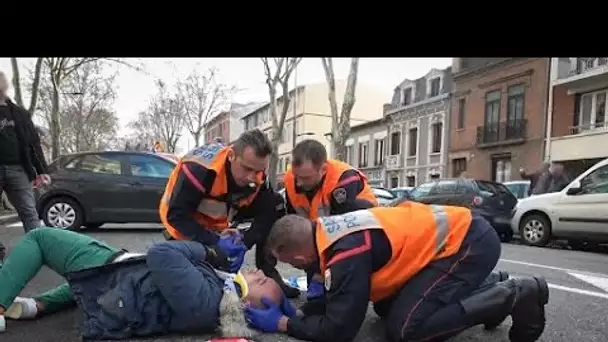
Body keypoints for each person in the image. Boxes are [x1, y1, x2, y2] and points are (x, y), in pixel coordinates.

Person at [246, 202, 549, 342]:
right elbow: (338, 293)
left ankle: (514, 294)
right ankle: (491, 284)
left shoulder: (346, 255)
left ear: (301, 255)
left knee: (405, 330)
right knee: (386, 305)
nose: (298, 268)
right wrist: (305, 313)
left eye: (294, 263)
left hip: (468, 245)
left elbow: (339, 330)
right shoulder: (329, 232)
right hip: (457, 239)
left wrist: (286, 323)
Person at [0, 228, 291, 340]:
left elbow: (162, 254)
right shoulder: (218, 296)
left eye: (262, 281)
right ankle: (36, 306)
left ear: (248, 305)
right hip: (123, 279)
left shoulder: (207, 301)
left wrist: (210, 252)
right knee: (79, 284)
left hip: (113, 277)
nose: (258, 272)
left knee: (40, 238)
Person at [159, 129, 299, 298]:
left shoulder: (256, 173)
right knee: (194, 283)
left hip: (223, 214)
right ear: (231, 155)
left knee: (275, 204)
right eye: (247, 169)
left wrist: (244, 242)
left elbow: (267, 208)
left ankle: (268, 270)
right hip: (183, 224)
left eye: (258, 171)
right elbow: (177, 216)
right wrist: (215, 241)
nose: (252, 178)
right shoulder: (199, 170)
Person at [282, 139, 378, 308]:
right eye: (297, 176)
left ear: (323, 169)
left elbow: (338, 235)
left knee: (338, 274)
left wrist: (320, 275)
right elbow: (297, 222)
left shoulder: (344, 180)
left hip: (363, 229)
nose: (299, 183)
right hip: (320, 230)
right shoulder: (292, 179)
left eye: (305, 178)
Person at [0, 71, 50, 233]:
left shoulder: (20, 113)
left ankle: (37, 249)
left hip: (19, 169)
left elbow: (34, 143)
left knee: (29, 213)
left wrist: (42, 171)